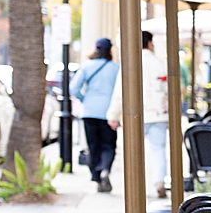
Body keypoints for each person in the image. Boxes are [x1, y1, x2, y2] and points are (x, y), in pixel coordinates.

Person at [108, 31, 170, 199]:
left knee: (133, 151)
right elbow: (170, 90)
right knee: (158, 149)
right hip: (159, 114)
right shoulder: (161, 64)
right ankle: (159, 182)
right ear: (150, 43)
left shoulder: (130, 64)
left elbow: (120, 92)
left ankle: (135, 185)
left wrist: (113, 114)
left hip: (135, 114)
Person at [69, 38, 119, 193]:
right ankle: (105, 170)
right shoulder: (116, 68)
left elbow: (73, 89)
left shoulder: (86, 66)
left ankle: (97, 178)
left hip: (89, 112)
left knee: (93, 145)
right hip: (109, 112)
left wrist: (85, 99)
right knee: (109, 145)